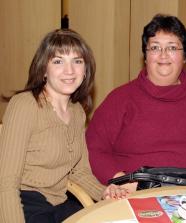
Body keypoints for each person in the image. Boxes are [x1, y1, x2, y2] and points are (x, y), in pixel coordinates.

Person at [86, 14, 186, 197]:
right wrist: (121, 180)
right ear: (145, 56)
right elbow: (94, 148)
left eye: (172, 48)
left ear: (185, 56)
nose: (163, 55)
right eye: (155, 47)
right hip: (136, 196)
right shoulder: (120, 99)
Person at [0, 29, 119, 223]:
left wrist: (105, 191)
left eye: (77, 61)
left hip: (60, 201)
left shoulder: (77, 111)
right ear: (43, 69)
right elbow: (5, 182)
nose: (69, 70)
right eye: (58, 61)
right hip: (24, 202)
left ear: (85, 69)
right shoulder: (24, 105)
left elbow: (79, 171)